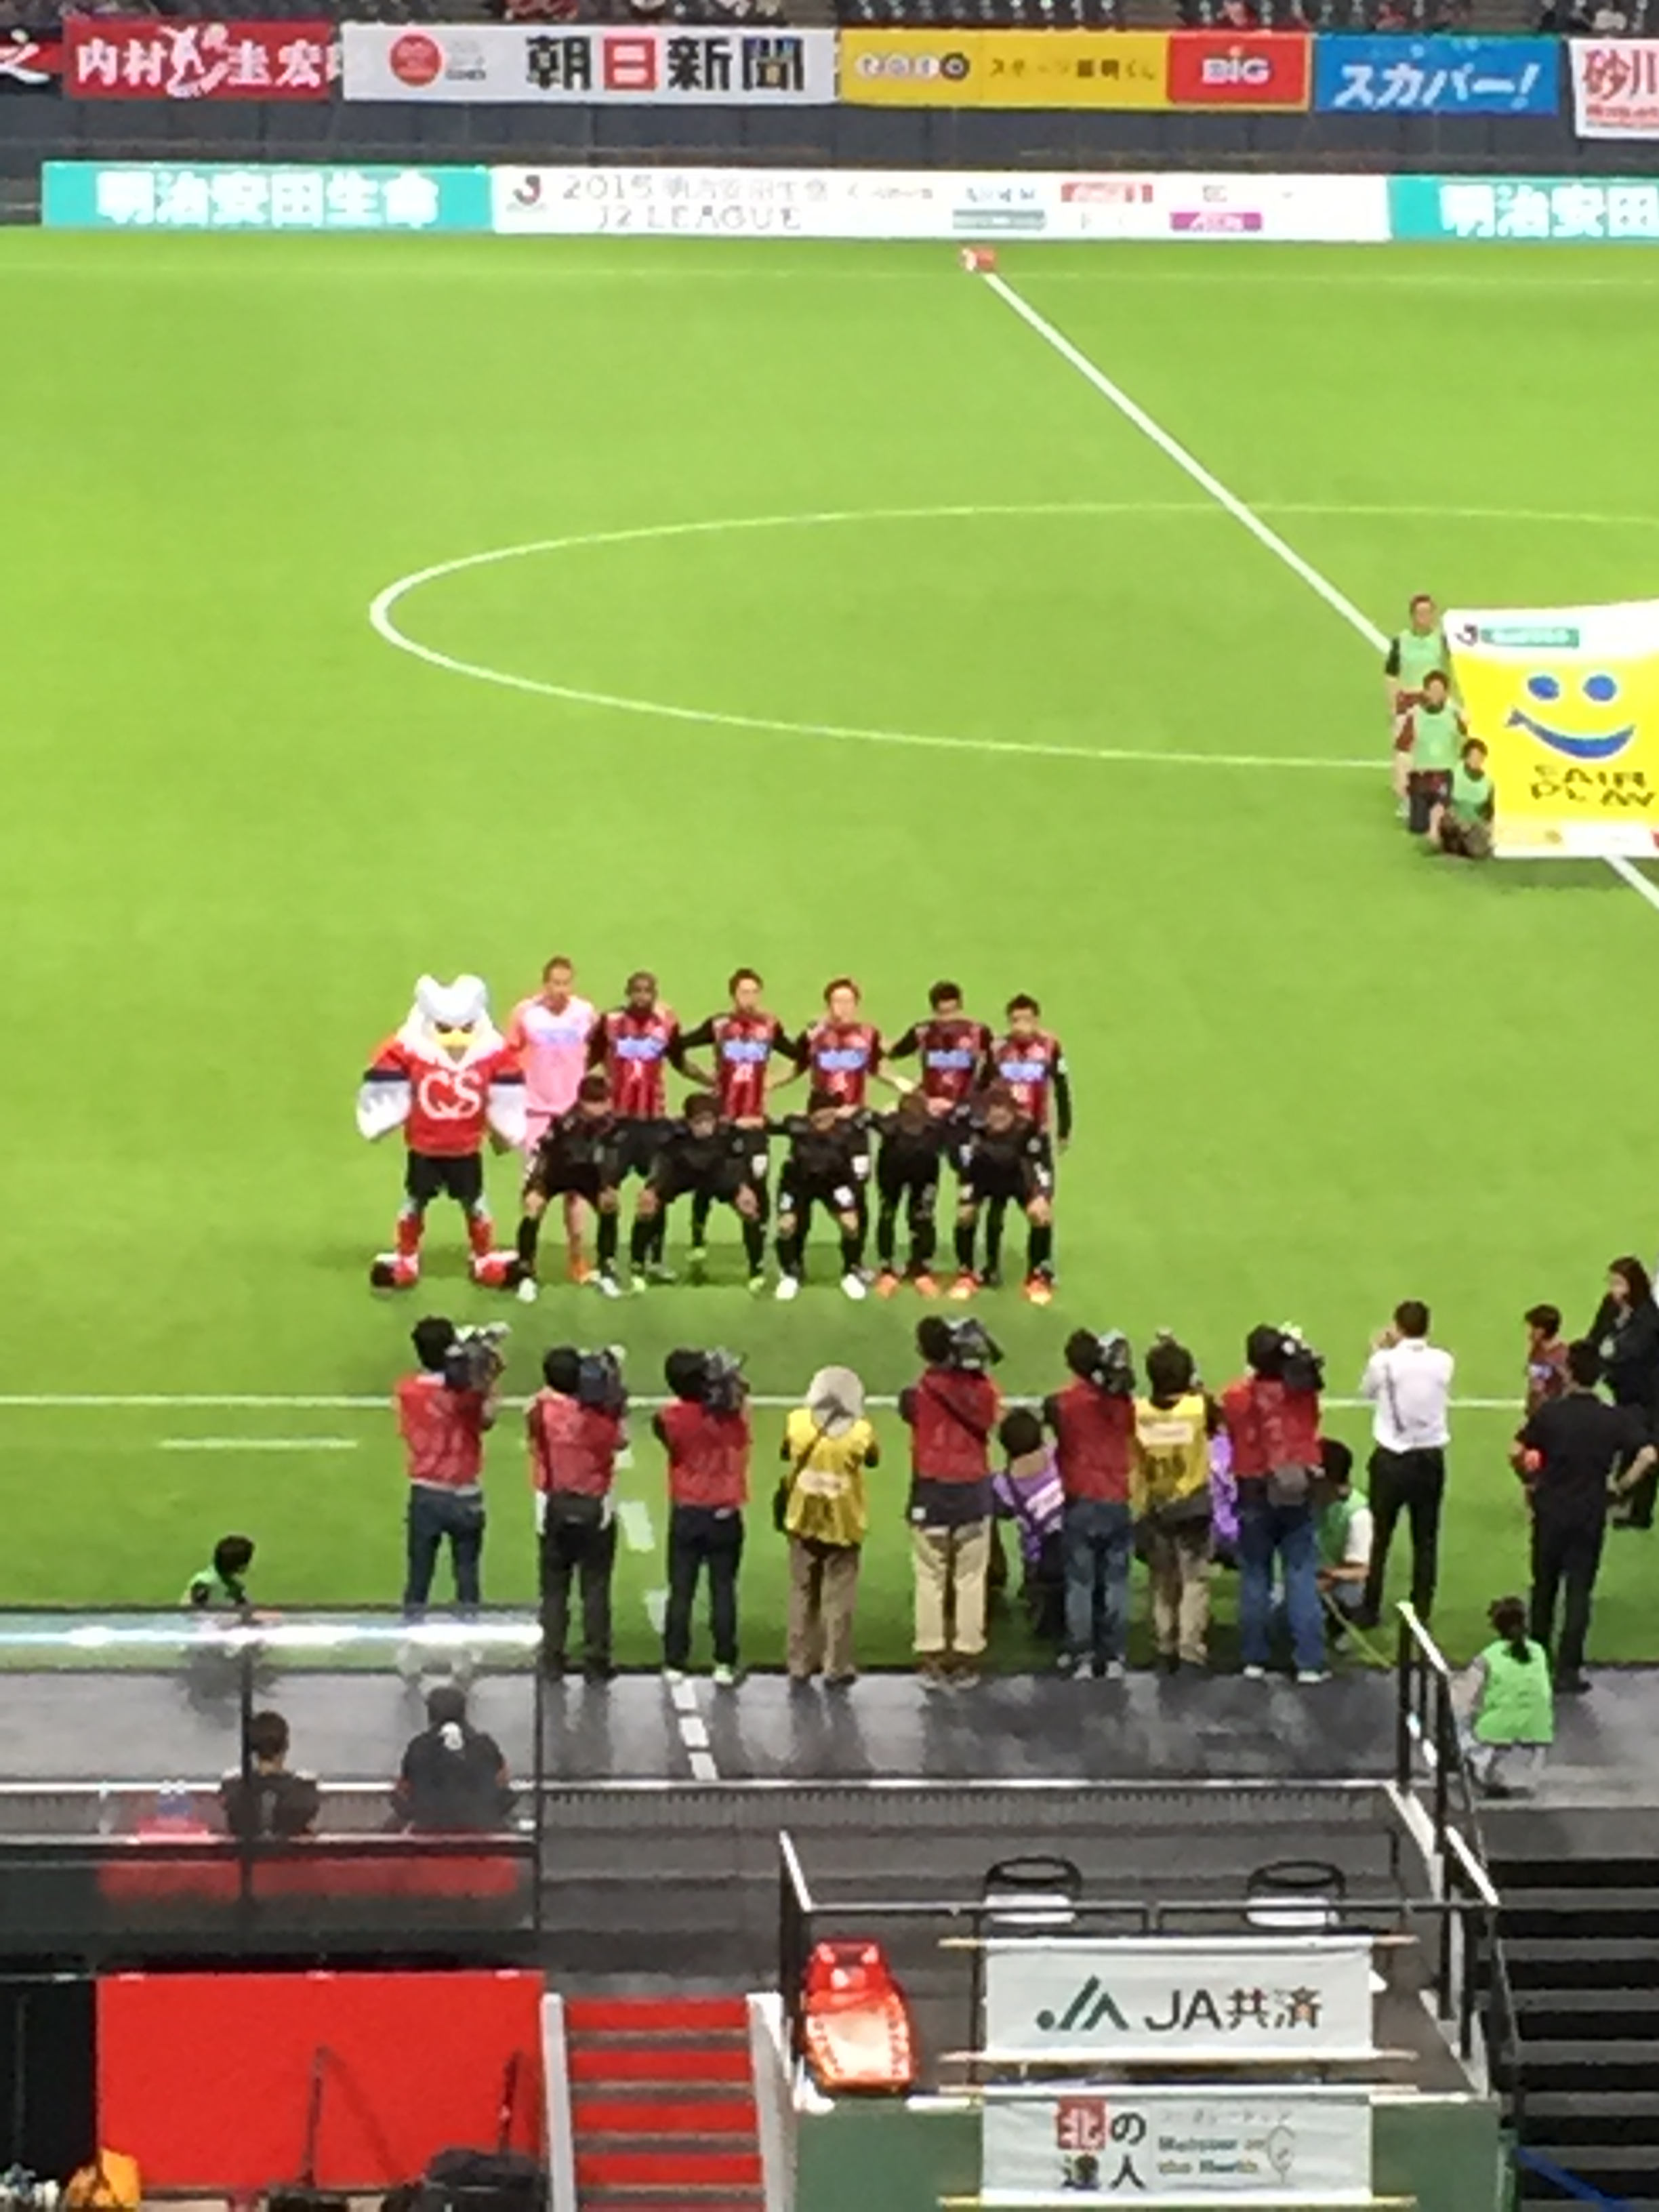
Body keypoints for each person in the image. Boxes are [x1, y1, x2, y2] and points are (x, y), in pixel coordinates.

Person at [357, 974, 526, 1292]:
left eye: (465, 1029)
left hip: (465, 1148)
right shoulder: (413, 1051)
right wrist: (382, 1115)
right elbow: (387, 1069)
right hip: (426, 1147)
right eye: (446, 1029)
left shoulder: (488, 1054)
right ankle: (407, 1256)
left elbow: (507, 1082)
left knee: (474, 1202)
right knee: (416, 1201)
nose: (456, 1039)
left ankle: (483, 1256)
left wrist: (506, 1128)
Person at [1515, 1338, 1656, 1691]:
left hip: (1551, 1509)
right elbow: (1648, 1455)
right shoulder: (1612, 1419)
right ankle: (1568, 1670)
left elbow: (1516, 1450)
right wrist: (1620, 1488)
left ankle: (1537, 1660)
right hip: (1590, 1511)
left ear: (1568, 1372)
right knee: (1579, 1590)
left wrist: (1530, 1481)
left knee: (1544, 1587)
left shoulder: (1551, 1414)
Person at [899, 1317, 1001, 1688]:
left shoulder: (917, 1393)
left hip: (930, 1490)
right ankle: (967, 1659)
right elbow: (989, 1415)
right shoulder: (983, 1391)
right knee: (970, 1579)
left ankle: (930, 1659)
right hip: (972, 1490)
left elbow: (910, 1410)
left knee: (930, 1577)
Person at [1221, 1326, 1326, 1682]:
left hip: (1252, 1488)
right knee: (1300, 1574)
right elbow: (1313, 1414)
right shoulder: (1301, 1393)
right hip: (1295, 1488)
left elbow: (1232, 1424)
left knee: (1255, 1575)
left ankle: (1254, 1659)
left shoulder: (1235, 1395)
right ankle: (1309, 1662)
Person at [678, 968, 790, 1279]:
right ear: (733, 995)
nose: (749, 998)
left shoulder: (770, 1026)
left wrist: (772, 1082)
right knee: (707, 1181)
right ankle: (698, 1240)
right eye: (743, 992)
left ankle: (759, 1249)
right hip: (722, 1121)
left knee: (757, 1183)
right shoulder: (718, 1026)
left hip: (754, 1121)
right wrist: (703, 1078)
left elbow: (802, 1056)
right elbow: (676, 1046)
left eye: (754, 992)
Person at [527, 1346, 625, 1681]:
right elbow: (621, 1441)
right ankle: (596, 1659)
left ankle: (552, 1656)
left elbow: (535, 1422)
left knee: (554, 1588)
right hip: (595, 1507)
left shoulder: (541, 1411)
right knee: (595, 1586)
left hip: (554, 1503)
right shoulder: (601, 1418)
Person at [778, 1366, 879, 1688]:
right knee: (839, 1596)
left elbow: (786, 1450)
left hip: (803, 1517)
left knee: (802, 1591)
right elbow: (872, 1458)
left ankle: (799, 1662)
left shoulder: (798, 1423)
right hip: (843, 1522)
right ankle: (836, 1664)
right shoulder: (860, 1432)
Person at [655, 1349, 751, 1686]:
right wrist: (730, 1385)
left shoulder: (667, 1417)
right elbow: (742, 1404)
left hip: (687, 1510)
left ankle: (674, 1663)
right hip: (725, 1511)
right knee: (723, 1589)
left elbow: (672, 1443)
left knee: (681, 1590)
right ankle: (724, 1662)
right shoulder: (733, 1416)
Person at [1044, 1330, 1136, 1679]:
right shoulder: (1121, 1403)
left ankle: (1081, 1654)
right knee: (1115, 1582)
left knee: (1080, 1582)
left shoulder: (1063, 1403)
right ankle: (1114, 1656)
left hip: (1081, 1499)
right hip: (1116, 1497)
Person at [1357, 1300, 1454, 1627]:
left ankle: (1370, 1606)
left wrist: (1377, 1352)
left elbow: (1366, 1392)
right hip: (1430, 1458)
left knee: (1379, 1537)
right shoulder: (1443, 1361)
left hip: (1392, 1459)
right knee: (1426, 1539)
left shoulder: (1383, 1362)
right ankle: (1421, 1608)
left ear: (1397, 1327)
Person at [396, 1316, 498, 1613]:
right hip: (465, 1493)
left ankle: (410, 1636)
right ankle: (470, 1636)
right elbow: (487, 1419)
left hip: (425, 1491)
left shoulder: (407, 1389)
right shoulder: (468, 1394)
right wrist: (487, 1377)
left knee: (418, 1577)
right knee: (467, 1575)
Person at [505, 955, 596, 1284]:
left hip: (575, 1114)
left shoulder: (585, 1013)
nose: (560, 990)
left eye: (566, 983)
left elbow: (599, 1050)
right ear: (545, 984)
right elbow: (508, 1055)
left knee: (577, 1191)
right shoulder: (525, 1013)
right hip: (536, 1114)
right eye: (555, 983)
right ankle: (527, 1260)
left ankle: (577, 1259)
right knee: (536, 1188)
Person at [588, 971, 684, 1278]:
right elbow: (589, 1058)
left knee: (657, 1193)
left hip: (653, 1122)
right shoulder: (610, 1022)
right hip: (617, 1123)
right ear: (628, 993)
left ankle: (652, 1259)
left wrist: (709, 1082)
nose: (642, 996)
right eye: (637, 991)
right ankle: (606, 1260)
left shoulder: (667, 1023)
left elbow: (679, 1060)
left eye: (648, 991)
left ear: (655, 994)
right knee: (607, 1194)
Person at [630, 1092, 766, 1294]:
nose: (704, 1126)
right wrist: (652, 1188)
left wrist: (743, 1187)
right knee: (647, 1205)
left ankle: (757, 1270)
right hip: (682, 1173)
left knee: (748, 1207)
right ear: (688, 1122)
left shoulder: (728, 1133)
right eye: (698, 1122)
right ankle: (637, 1266)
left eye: (708, 1121)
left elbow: (740, 1160)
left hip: (716, 1174)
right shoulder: (672, 1135)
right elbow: (661, 1161)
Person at [1134, 1336, 1215, 1675]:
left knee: (1162, 1580)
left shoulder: (1140, 1412)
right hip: (1192, 1504)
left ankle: (1164, 1645)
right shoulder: (1198, 1409)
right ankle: (1190, 1649)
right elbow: (1210, 1407)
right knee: (1194, 1580)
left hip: (1157, 1504)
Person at [513, 1073, 624, 1300]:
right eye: (592, 1103)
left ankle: (607, 1268)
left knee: (610, 1204)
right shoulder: (563, 1124)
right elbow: (543, 1155)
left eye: (602, 1102)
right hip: (557, 1174)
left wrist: (608, 1185)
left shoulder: (613, 1126)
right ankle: (525, 1272)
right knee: (533, 1206)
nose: (598, 1109)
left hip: (589, 1176)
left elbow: (614, 1160)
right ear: (581, 1102)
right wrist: (534, 1185)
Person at [950, 1085, 1056, 1304]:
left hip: (1018, 1178)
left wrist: (1043, 1193)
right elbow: (962, 1160)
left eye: (1004, 1111)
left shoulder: (1028, 1129)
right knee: (965, 1215)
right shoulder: (974, 1130)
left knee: (1040, 1214)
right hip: (984, 1177)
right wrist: (965, 1186)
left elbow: (1043, 1165)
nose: (998, 1117)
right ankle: (966, 1273)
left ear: (1012, 1111)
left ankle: (1037, 1275)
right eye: (993, 1111)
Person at [771, 1089, 869, 1303]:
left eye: (831, 1112)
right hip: (797, 1184)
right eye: (822, 1113)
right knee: (786, 1226)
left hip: (834, 1184)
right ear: (812, 1113)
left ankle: (850, 1272)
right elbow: (766, 1125)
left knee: (851, 1225)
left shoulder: (847, 1129)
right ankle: (790, 1273)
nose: (828, 1117)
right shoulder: (796, 1126)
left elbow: (867, 1115)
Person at [1588, 1255, 1659, 1530]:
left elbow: (1631, 1353)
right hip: (1623, 1388)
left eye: (1619, 1283)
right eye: (1612, 1283)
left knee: (1645, 1444)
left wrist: (1605, 1361)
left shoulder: (1648, 1318)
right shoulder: (1611, 1306)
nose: (1613, 1290)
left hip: (1648, 1392)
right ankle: (1622, 1495)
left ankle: (1640, 1513)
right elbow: (1596, 1336)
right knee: (1629, 1442)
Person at [1457, 1597, 1553, 1798]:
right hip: (1536, 1747)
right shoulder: (1539, 1651)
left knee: (1458, 1718)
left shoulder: (1488, 1657)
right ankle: (1506, 1774)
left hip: (1496, 1739)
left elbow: (1462, 1699)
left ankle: (1483, 1769)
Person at [391, 1682, 514, 1832]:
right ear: (464, 1712)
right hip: (482, 1835)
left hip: (429, 1835)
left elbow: (404, 1790)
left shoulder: (418, 1746)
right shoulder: (485, 1745)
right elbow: (503, 1782)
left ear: (430, 1715)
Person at [991, 1409, 1067, 1645]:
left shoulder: (1003, 1484)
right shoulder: (1059, 1454)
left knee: (1044, 1615)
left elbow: (1000, 1513)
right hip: (1075, 1545)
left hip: (1039, 1559)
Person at [871, 1089, 954, 1296]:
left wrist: (949, 1106)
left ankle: (921, 1268)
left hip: (925, 1177)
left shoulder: (936, 1129)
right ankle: (887, 1268)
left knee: (922, 1219)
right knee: (887, 1215)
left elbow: (964, 1120)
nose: (912, 1121)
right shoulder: (889, 1126)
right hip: (891, 1175)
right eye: (908, 1116)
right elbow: (863, 1117)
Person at [888, 981, 991, 1121]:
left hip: (966, 1108)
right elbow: (892, 1054)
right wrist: (901, 1082)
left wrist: (980, 1092)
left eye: (953, 1013)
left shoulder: (978, 1032)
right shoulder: (922, 1032)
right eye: (944, 1014)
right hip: (930, 1108)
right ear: (934, 1011)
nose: (949, 1021)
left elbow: (994, 1065)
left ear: (960, 1007)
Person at [1384, 591, 1449, 810]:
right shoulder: (1401, 641)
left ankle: (1431, 795)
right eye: (1420, 613)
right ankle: (1405, 798)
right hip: (1409, 699)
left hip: (1434, 701)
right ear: (1412, 615)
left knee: (1432, 750)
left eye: (1429, 612)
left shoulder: (1441, 641)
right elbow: (1391, 674)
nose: (1425, 617)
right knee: (1405, 752)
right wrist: (1393, 704)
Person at [983, 995, 1071, 1149]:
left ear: (1036, 1021)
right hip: (1003, 1132)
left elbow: (1062, 1087)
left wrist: (1064, 1129)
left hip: (1037, 1130)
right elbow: (981, 1089)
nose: (1021, 1026)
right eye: (1015, 1021)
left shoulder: (1050, 1047)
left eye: (1027, 1020)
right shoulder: (997, 1049)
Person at [218, 1711, 320, 1843]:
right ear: (286, 1745)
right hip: (291, 1856)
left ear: (251, 1748)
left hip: (245, 1855)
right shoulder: (304, 1791)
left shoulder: (232, 1789)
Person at [1313, 1439, 1372, 1647]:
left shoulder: (1357, 1514)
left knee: (1351, 1592)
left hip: (1331, 1583)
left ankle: (1336, 1627)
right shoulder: (1302, 1499)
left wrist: (1326, 1578)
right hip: (1297, 1576)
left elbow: (1360, 1571)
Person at [1399, 670, 1468, 837]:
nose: (1436, 694)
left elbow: (1467, 740)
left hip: (1446, 776)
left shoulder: (1454, 715)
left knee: (1445, 826)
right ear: (1426, 692)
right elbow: (1403, 749)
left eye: (1440, 690)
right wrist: (1402, 779)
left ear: (1446, 693)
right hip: (1422, 777)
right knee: (1418, 828)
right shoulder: (1415, 715)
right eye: (1432, 689)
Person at [1431, 737, 1494, 860]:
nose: (1476, 760)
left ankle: (1466, 847)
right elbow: (1439, 803)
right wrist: (1434, 828)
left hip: (1473, 825)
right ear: (1466, 757)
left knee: (1478, 851)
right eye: (1473, 756)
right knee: (1449, 826)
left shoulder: (1488, 783)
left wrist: (1486, 832)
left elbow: (1489, 814)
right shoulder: (1452, 774)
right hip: (1454, 821)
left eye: (1480, 757)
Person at [184, 1534, 255, 1611]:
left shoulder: (235, 1587)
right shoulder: (205, 1582)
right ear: (240, 1566)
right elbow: (189, 1610)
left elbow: (249, 1610)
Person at [1523, 1305, 1569, 1418]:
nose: (1529, 1333)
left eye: (1533, 1328)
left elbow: (1569, 1386)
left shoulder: (1562, 1356)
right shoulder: (1537, 1349)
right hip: (1535, 1413)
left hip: (1553, 1416)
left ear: (1542, 1331)